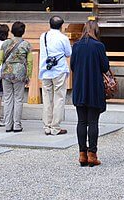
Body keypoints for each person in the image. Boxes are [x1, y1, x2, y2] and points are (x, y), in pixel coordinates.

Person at [70, 19, 109, 167]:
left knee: (81, 121)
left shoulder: (77, 46)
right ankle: (92, 154)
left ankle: (82, 154)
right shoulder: (99, 46)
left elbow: (73, 65)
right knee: (93, 121)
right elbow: (105, 67)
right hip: (94, 87)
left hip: (80, 86)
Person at [0, 21, 32, 133]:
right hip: (20, 73)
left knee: (7, 99)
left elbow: (0, 59)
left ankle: (8, 125)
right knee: (18, 99)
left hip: (6, 72)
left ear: (12, 31)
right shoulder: (26, 45)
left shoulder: (6, 43)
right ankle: (17, 124)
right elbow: (30, 61)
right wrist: (29, 75)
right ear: (23, 32)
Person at [39, 15, 72, 136]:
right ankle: (55, 126)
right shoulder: (63, 38)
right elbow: (68, 53)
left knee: (47, 98)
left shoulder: (43, 36)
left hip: (45, 70)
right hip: (59, 70)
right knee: (59, 97)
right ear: (61, 26)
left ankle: (47, 125)